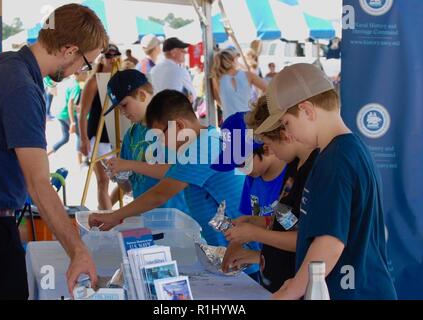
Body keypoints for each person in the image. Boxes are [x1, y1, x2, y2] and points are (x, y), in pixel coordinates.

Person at [0, 4, 108, 299]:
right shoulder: (20, 85)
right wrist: (78, 251)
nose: (80, 73)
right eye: (85, 64)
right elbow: (38, 183)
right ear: (70, 49)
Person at [255, 63, 397, 300]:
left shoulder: (336, 160)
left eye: (287, 123)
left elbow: (329, 243)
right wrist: (298, 280)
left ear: (307, 111)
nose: (288, 134)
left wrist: (292, 290)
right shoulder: (347, 150)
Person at [89, 90, 246, 247]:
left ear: (179, 125)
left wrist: (114, 216)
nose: (162, 143)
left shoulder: (202, 149)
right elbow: (167, 175)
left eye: (161, 136)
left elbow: (159, 194)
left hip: (239, 250)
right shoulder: (206, 139)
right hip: (227, 247)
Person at [221, 96, 318, 293]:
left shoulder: (314, 170)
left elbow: (309, 239)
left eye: (267, 143)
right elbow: (289, 221)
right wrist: (257, 222)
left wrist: (256, 233)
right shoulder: (293, 167)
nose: (271, 150)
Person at [101, 69, 189, 213]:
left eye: (124, 105)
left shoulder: (171, 125)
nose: (122, 113)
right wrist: (120, 176)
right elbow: (129, 188)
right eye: (118, 109)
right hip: (147, 218)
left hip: (178, 217)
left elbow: (178, 172)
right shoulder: (131, 135)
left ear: (142, 95)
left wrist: (130, 164)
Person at [79, 44, 122, 210]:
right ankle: (107, 219)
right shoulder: (94, 81)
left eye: (115, 55)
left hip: (115, 135)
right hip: (97, 135)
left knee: (125, 182)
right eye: (108, 56)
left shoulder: (120, 80)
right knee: (103, 180)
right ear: (102, 58)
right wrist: (83, 139)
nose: (112, 59)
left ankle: (105, 212)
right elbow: (83, 113)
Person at [211, 48, 267, 121]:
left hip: (229, 122)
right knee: (248, 132)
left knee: (230, 133)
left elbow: (218, 100)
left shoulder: (216, 79)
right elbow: (268, 88)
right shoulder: (248, 75)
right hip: (247, 121)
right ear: (233, 60)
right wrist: (257, 105)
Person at [47, 72, 84, 157]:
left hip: (58, 113)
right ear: (80, 74)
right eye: (86, 73)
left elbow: (57, 94)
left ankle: (47, 153)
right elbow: (70, 103)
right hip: (66, 113)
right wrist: (73, 122)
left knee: (65, 138)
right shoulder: (76, 86)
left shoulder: (66, 81)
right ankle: (81, 163)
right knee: (81, 136)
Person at [150, 37, 196, 102]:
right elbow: (192, 96)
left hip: (157, 109)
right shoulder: (180, 71)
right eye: (182, 50)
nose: (185, 53)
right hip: (175, 109)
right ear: (173, 52)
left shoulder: (153, 70)